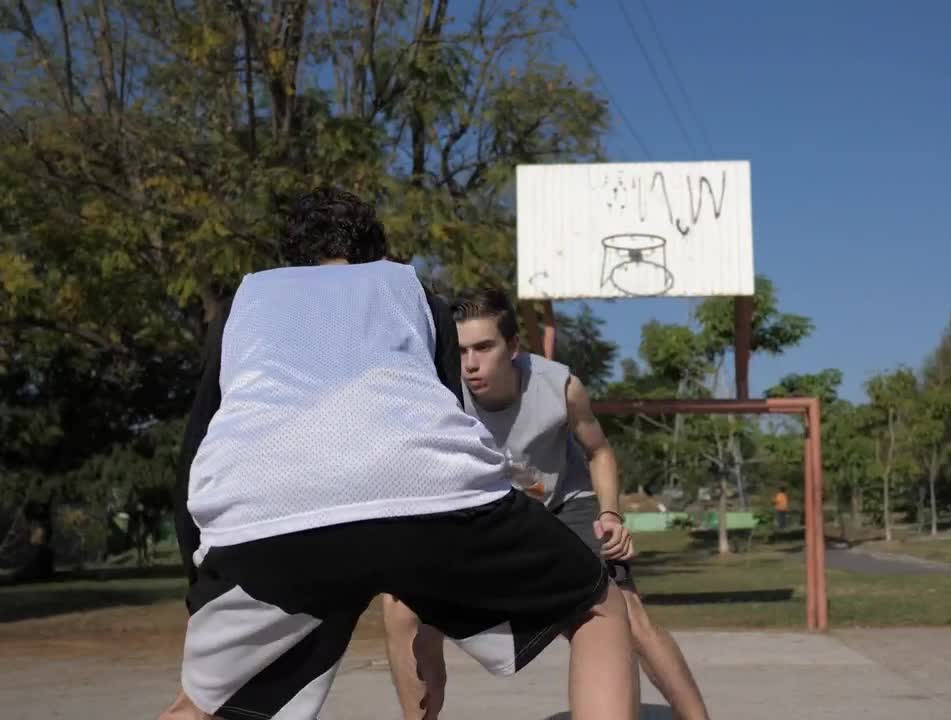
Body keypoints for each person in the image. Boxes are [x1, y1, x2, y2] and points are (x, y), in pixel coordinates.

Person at [157, 188, 638, 720]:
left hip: (262, 512)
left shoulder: (244, 305)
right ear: (375, 252)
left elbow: (198, 448)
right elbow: (440, 415)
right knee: (598, 608)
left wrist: (201, 585)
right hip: (428, 494)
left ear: (289, 258)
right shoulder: (412, 292)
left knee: (203, 704)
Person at [382, 287, 711, 720]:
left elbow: (600, 453)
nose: (472, 363)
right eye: (461, 350)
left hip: (565, 506)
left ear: (513, 347)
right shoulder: (443, 395)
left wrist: (611, 515)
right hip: (496, 515)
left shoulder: (562, 387)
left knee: (628, 614)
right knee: (401, 607)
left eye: (484, 347)